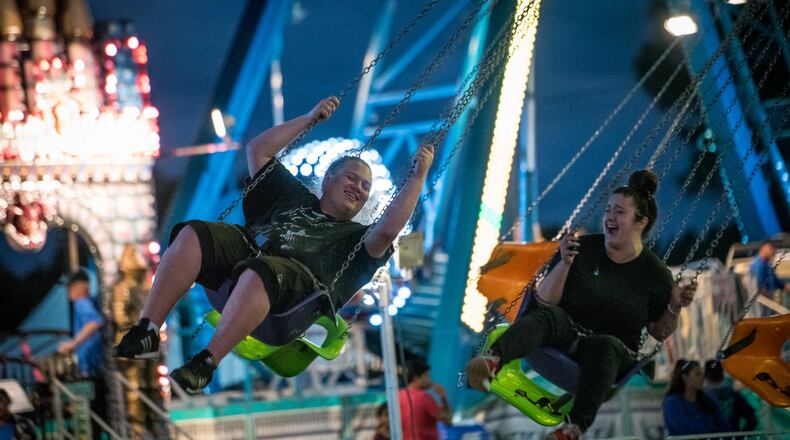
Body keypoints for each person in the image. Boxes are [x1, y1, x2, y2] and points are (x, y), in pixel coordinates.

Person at [113, 96, 435, 393]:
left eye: (366, 186)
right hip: (242, 276)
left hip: (288, 310)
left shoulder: (357, 240)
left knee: (262, 270)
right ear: (328, 180)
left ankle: (206, 362)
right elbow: (258, 150)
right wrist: (309, 119)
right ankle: (148, 329)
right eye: (351, 177)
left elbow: (389, 229)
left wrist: (417, 179)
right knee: (193, 233)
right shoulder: (291, 196)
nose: (359, 187)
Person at [465, 170, 697, 440]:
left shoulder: (656, 275)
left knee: (605, 345)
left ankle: (573, 428)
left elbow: (659, 332)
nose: (610, 217)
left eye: (620, 212)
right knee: (547, 316)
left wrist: (674, 306)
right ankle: (492, 361)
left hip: (611, 353)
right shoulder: (583, 248)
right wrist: (563, 263)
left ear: (640, 222)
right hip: (568, 333)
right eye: (608, 209)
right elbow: (544, 300)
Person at [663, 359, 731, 436]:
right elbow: (684, 429)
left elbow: (724, 425)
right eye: (697, 374)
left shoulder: (708, 400)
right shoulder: (672, 403)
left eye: (702, 373)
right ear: (685, 377)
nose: (702, 377)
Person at [58, 269, 104, 377]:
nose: (68, 290)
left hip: (91, 363)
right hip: (96, 362)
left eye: (70, 286)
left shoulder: (81, 303)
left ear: (81, 285)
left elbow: (94, 323)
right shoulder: (90, 302)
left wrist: (71, 344)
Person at [399, 359, 451, 440]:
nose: (430, 380)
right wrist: (443, 397)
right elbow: (448, 421)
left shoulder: (399, 395)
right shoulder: (424, 397)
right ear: (416, 378)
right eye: (426, 376)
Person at [704, 359, 757, 434]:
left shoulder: (700, 398)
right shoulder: (734, 395)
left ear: (705, 375)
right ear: (722, 373)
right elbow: (752, 420)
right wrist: (740, 437)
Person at [750, 241, 788, 308]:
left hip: (767, 303)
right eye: (772, 249)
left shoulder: (766, 264)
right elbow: (759, 287)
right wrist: (771, 301)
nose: (774, 252)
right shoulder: (759, 265)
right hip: (763, 305)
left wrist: (785, 286)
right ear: (764, 248)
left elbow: (776, 281)